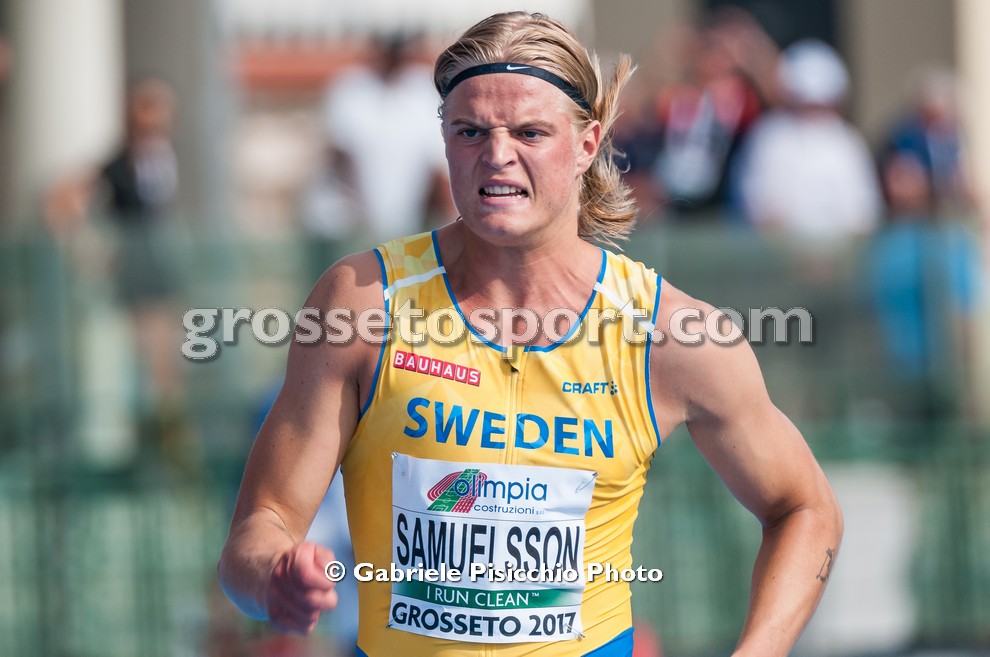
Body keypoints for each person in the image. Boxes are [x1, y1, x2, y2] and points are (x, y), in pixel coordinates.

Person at [218, 12, 842, 657]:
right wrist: (274, 576)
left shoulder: (670, 333)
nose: (497, 155)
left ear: (587, 144)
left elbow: (806, 509)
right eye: (470, 131)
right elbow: (258, 531)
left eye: (530, 132)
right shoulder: (362, 303)